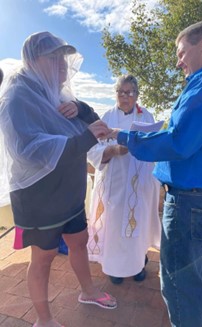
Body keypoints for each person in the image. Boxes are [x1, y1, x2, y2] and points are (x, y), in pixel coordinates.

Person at [108, 21, 202, 327]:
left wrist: (125, 137)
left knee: (177, 282)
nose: (178, 60)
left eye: (181, 52)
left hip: (189, 199)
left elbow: (179, 141)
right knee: (196, 271)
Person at [0, 31, 117, 327]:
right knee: (44, 257)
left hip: (70, 193)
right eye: (54, 58)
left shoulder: (55, 90)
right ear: (32, 60)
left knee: (79, 241)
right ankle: (44, 320)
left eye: (64, 58)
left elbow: (88, 118)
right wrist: (84, 140)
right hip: (40, 198)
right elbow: (28, 151)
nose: (62, 65)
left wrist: (82, 110)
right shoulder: (16, 97)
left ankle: (88, 291)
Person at [87, 74, 161, 284]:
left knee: (139, 221)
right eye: (121, 92)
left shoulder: (146, 116)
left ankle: (138, 263)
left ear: (137, 95)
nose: (125, 96)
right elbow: (93, 149)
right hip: (115, 181)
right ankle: (114, 267)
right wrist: (111, 150)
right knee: (114, 224)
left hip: (140, 181)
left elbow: (153, 144)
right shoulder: (106, 117)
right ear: (116, 94)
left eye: (130, 92)